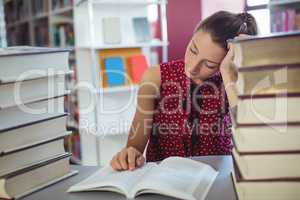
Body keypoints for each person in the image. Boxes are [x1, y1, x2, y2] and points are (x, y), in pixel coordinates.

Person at [110, 11, 258, 171]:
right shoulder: (154, 77)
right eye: (193, 50)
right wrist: (130, 154)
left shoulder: (231, 81)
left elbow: (249, 137)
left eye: (209, 64)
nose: (193, 67)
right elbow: (135, 146)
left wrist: (229, 74)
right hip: (164, 181)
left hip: (216, 177)